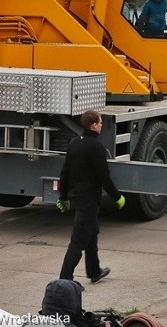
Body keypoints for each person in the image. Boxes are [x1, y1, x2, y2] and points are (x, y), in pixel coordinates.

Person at [58, 110, 126, 284]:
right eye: (100, 123)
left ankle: (94, 271)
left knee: (92, 233)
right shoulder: (97, 148)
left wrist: (63, 196)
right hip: (88, 201)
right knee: (78, 241)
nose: (102, 125)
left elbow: (65, 172)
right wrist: (117, 197)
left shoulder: (74, 143)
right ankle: (65, 280)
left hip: (76, 198)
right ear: (94, 125)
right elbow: (104, 177)